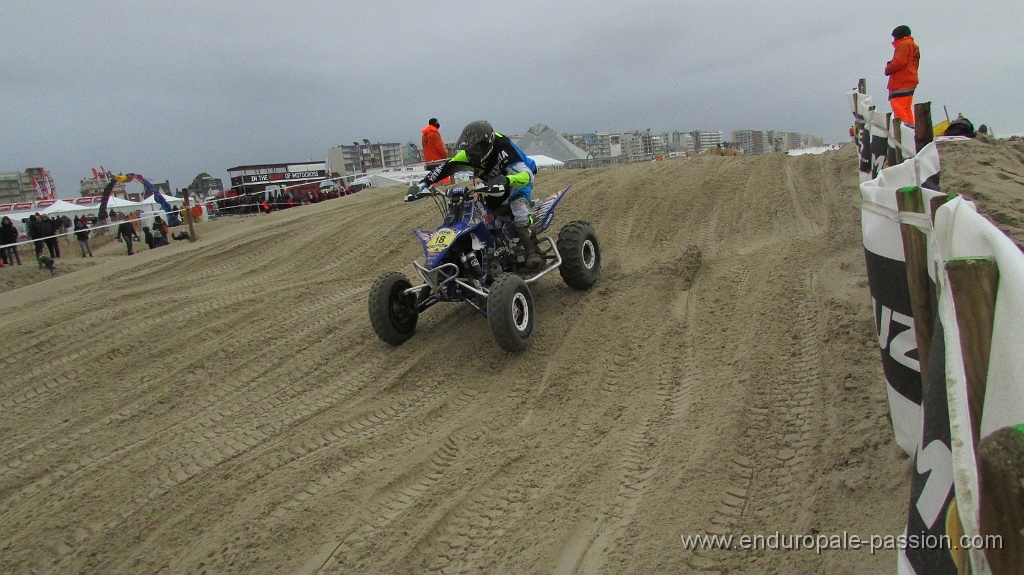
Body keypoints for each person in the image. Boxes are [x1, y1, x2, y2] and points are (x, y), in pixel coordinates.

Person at [408, 119, 543, 270]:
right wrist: (422, 184)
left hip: (517, 180)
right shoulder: (469, 155)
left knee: (518, 208)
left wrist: (506, 179)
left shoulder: (503, 149)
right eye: (470, 150)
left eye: (476, 150)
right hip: (495, 183)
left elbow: (528, 176)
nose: (472, 154)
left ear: (487, 144)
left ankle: (532, 251)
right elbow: (445, 168)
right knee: (486, 214)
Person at [885, 25, 921, 126]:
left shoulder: (904, 45)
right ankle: (912, 131)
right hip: (911, 79)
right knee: (906, 109)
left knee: (899, 108)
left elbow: (899, 62)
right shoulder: (913, 46)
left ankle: (904, 133)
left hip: (901, 81)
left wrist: (888, 69)